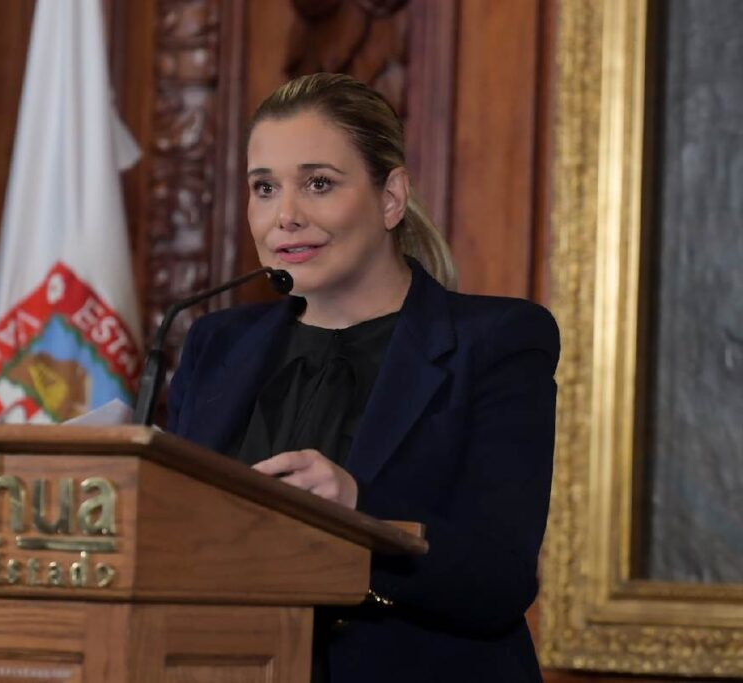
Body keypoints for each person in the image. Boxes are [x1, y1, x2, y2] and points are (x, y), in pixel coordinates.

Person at [166, 73, 559, 683]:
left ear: (391, 197)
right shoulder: (215, 344)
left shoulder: (497, 342)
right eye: (264, 188)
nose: (284, 216)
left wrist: (357, 510)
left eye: (318, 184)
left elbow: (499, 580)